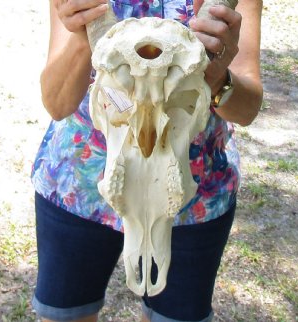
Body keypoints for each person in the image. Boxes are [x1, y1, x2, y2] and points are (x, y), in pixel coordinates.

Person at [31, 0, 263, 321]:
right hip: (81, 186)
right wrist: (83, 35)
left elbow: (247, 108)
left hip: (187, 195)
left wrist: (216, 75)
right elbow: (57, 103)